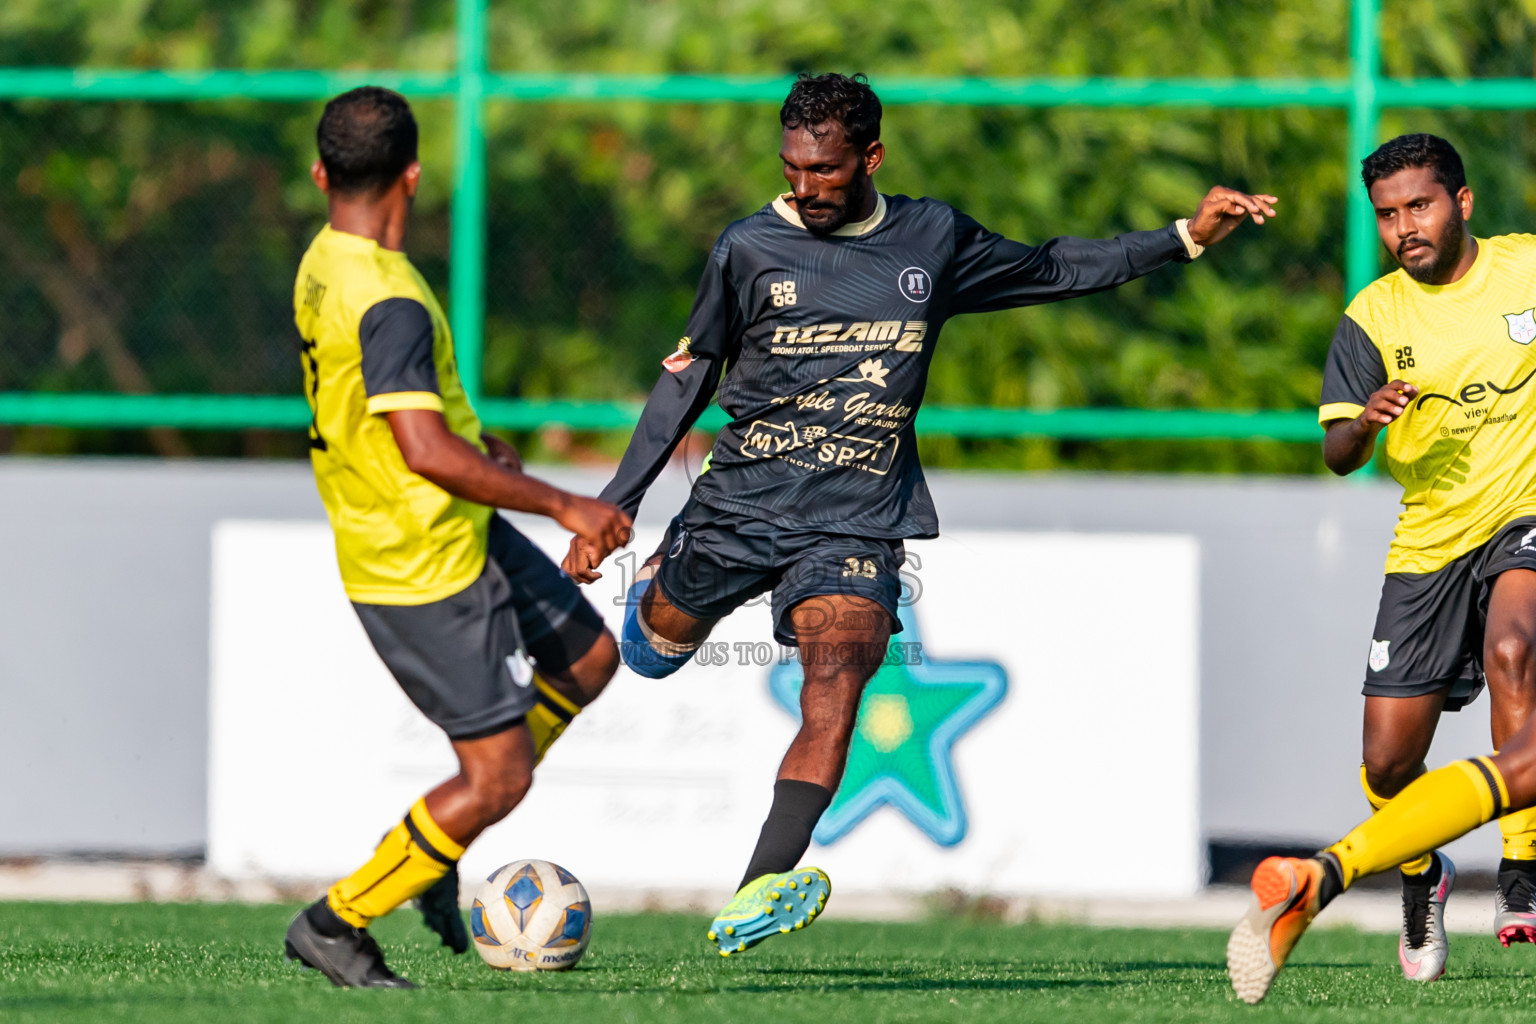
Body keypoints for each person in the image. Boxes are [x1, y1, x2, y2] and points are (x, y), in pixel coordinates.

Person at [562, 71, 1275, 956]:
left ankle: (754, 893)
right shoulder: (747, 247)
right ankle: (660, 604)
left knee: (837, 685)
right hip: (739, 503)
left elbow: (1055, 268)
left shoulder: (930, 238)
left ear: (871, 156)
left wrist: (1182, 238)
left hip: (859, 517)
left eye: (823, 170)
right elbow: (689, 376)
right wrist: (613, 505)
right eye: (791, 168)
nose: (804, 186)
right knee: (656, 650)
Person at [282, 86, 632, 989]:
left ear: (323, 175)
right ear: (415, 175)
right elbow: (422, 448)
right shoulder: (387, 293)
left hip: (449, 526)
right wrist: (560, 504)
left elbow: (404, 414)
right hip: (417, 559)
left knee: (589, 657)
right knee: (498, 779)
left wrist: (487, 457)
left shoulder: (325, 259)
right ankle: (337, 921)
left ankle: (437, 848)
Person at [1227, 134, 1536, 1005]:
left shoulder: (1526, 272)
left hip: (1526, 516)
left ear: (1464, 202)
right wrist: (1364, 422)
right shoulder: (1374, 318)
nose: (1406, 226)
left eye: (1422, 206)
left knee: (1517, 647)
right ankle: (1420, 875)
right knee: (1389, 766)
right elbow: (1335, 453)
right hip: (1429, 542)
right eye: (1389, 213)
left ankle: (1524, 869)